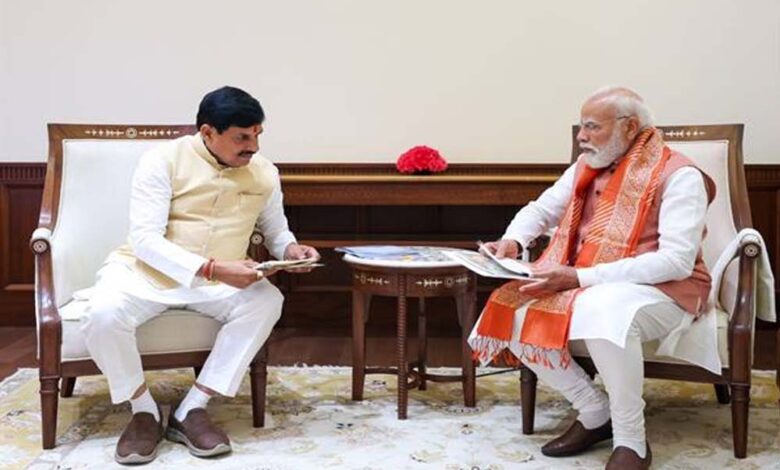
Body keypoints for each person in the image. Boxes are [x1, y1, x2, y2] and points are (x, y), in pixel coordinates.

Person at [469, 86, 719, 470]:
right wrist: (513, 241)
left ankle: (631, 440)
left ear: (630, 127)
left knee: (606, 309)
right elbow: (541, 210)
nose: (581, 137)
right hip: (590, 283)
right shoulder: (585, 167)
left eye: (592, 127)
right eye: (581, 127)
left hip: (667, 292)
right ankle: (593, 412)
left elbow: (675, 262)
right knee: (511, 305)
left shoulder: (680, 175)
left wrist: (578, 277)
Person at [80, 86, 319, 464]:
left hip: (221, 283)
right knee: (103, 314)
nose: (253, 146)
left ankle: (192, 407)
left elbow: (276, 230)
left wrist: (291, 251)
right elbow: (144, 240)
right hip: (146, 276)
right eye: (242, 137)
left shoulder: (265, 172)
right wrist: (211, 267)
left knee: (267, 301)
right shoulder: (162, 160)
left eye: (257, 135)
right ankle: (143, 410)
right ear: (208, 132)